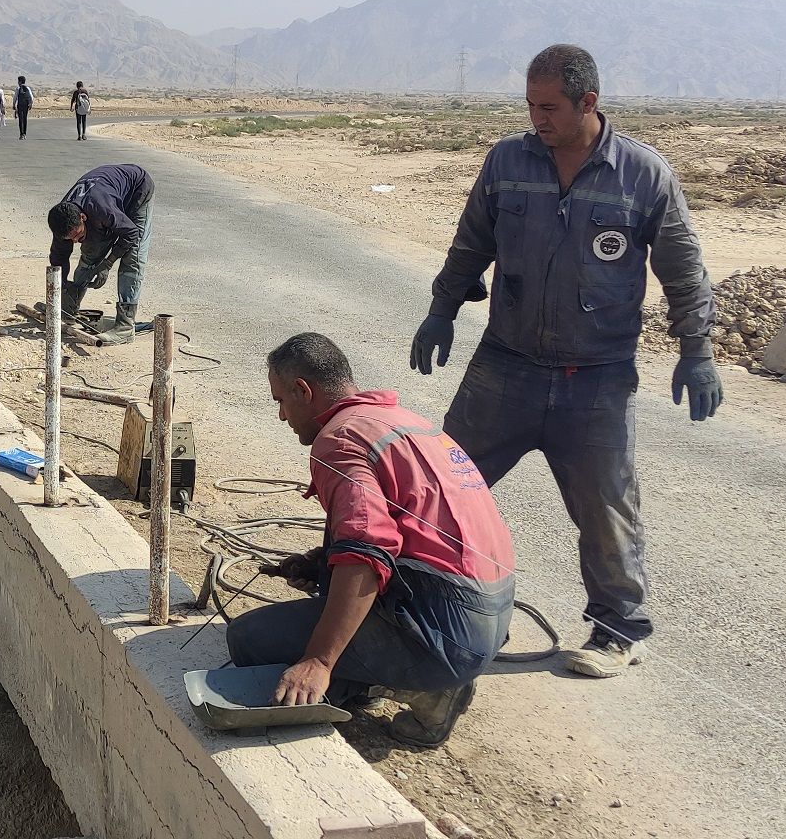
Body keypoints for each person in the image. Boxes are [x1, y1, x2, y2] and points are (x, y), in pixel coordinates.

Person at [410, 44, 720, 679]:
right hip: (506, 369)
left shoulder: (643, 175)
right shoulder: (507, 161)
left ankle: (617, 629)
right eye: (529, 105)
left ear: (589, 103)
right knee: (441, 487)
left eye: (548, 107)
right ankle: (411, 597)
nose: (537, 119)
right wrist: (442, 308)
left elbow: (684, 272)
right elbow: (472, 242)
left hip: (598, 380)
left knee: (607, 507)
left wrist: (697, 352)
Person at [226, 333, 517, 749]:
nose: (281, 415)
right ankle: (422, 674)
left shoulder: (338, 441)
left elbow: (366, 553)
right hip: (493, 614)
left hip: (451, 632)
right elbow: (409, 533)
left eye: (282, 401)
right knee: (334, 578)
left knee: (250, 639)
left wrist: (319, 660)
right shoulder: (401, 420)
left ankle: (424, 689)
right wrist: (321, 562)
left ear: (303, 391)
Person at [45, 162, 151, 344]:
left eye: (78, 235)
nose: (76, 241)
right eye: (71, 239)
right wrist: (62, 288)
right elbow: (58, 258)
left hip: (137, 189)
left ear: (82, 218)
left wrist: (107, 264)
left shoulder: (102, 209)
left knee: (132, 257)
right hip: (106, 195)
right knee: (90, 252)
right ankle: (69, 309)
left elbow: (131, 233)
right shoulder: (63, 221)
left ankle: (125, 326)